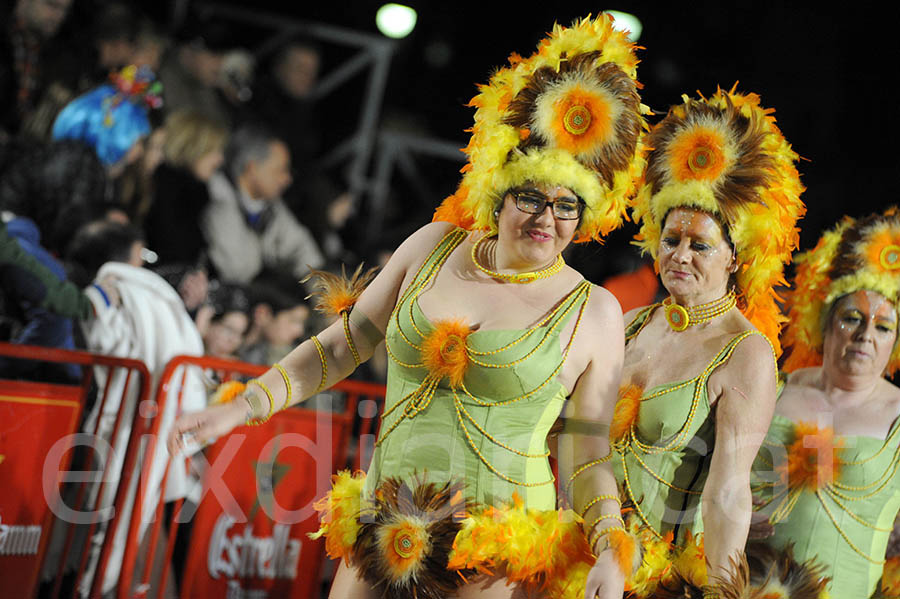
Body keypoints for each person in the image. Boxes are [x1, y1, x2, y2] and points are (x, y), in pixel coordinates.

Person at [169, 15, 646, 599]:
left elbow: (586, 450)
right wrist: (240, 407)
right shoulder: (430, 245)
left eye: (568, 205)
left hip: (493, 553)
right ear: (499, 191)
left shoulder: (592, 310)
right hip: (383, 525)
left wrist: (609, 544)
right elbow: (343, 346)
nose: (548, 219)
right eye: (531, 196)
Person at [610, 87, 806, 596]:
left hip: (659, 582)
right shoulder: (630, 324)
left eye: (700, 245)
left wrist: (722, 590)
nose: (679, 255)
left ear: (735, 258)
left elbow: (727, 493)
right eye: (671, 239)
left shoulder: (746, 352)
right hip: (580, 562)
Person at [751, 209, 900, 598]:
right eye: (853, 318)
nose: (866, 335)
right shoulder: (775, 387)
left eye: (883, 327)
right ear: (825, 320)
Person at [202, 123, 324, 289]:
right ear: (252, 168)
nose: (287, 179)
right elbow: (239, 271)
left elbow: (303, 251)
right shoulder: (218, 204)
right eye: (280, 170)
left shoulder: (268, 205)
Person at [144, 109, 227, 266]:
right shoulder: (167, 192)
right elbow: (174, 256)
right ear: (194, 148)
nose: (220, 159)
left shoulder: (191, 196)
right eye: (214, 151)